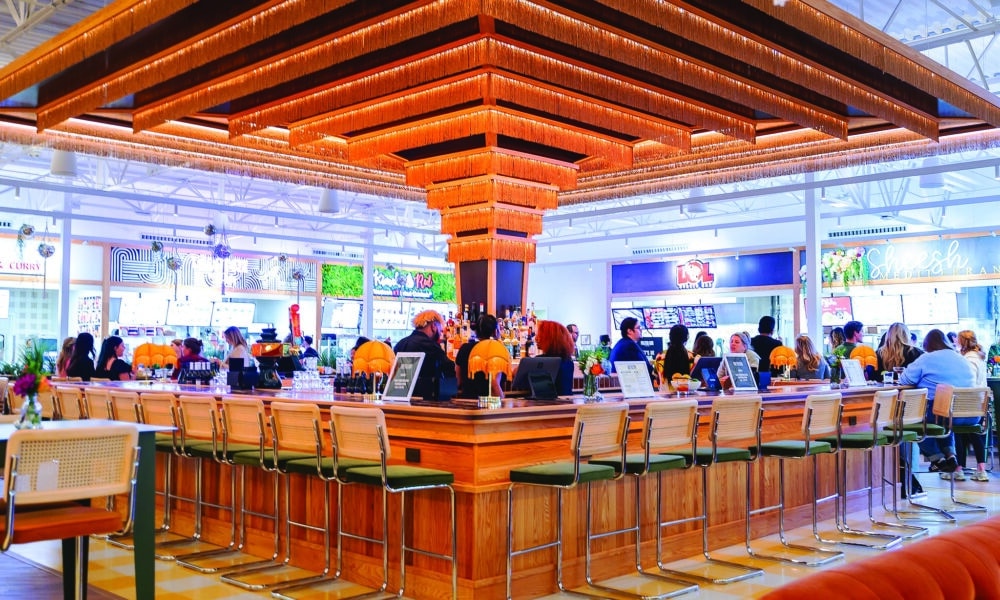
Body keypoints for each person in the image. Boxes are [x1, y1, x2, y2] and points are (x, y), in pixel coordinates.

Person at [897, 329, 976, 475]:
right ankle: (951, 455)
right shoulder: (961, 358)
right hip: (971, 414)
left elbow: (905, 380)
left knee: (909, 419)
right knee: (945, 420)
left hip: (942, 413)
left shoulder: (927, 358)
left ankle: (937, 459)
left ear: (927, 344)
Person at [393, 310, 456, 400]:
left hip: (399, 397)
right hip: (425, 399)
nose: (441, 333)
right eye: (440, 329)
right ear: (434, 326)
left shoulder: (400, 344)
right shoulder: (430, 345)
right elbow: (449, 367)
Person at [953, 330, 989, 482]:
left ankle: (958, 469)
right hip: (980, 406)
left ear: (961, 342)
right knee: (975, 435)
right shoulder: (980, 358)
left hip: (967, 404)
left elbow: (969, 383)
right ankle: (981, 469)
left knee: (957, 433)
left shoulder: (967, 360)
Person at [455, 314, 504, 398]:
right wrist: (504, 405)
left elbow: (457, 381)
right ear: (496, 332)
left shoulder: (464, 348)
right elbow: (494, 385)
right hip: (487, 405)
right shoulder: (497, 351)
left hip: (466, 403)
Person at [534, 320, 577, 396]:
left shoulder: (541, 361)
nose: (536, 338)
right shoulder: (568, 361)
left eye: (540, 335)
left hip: (546, 406)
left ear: (549, 338)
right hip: (567, 405)